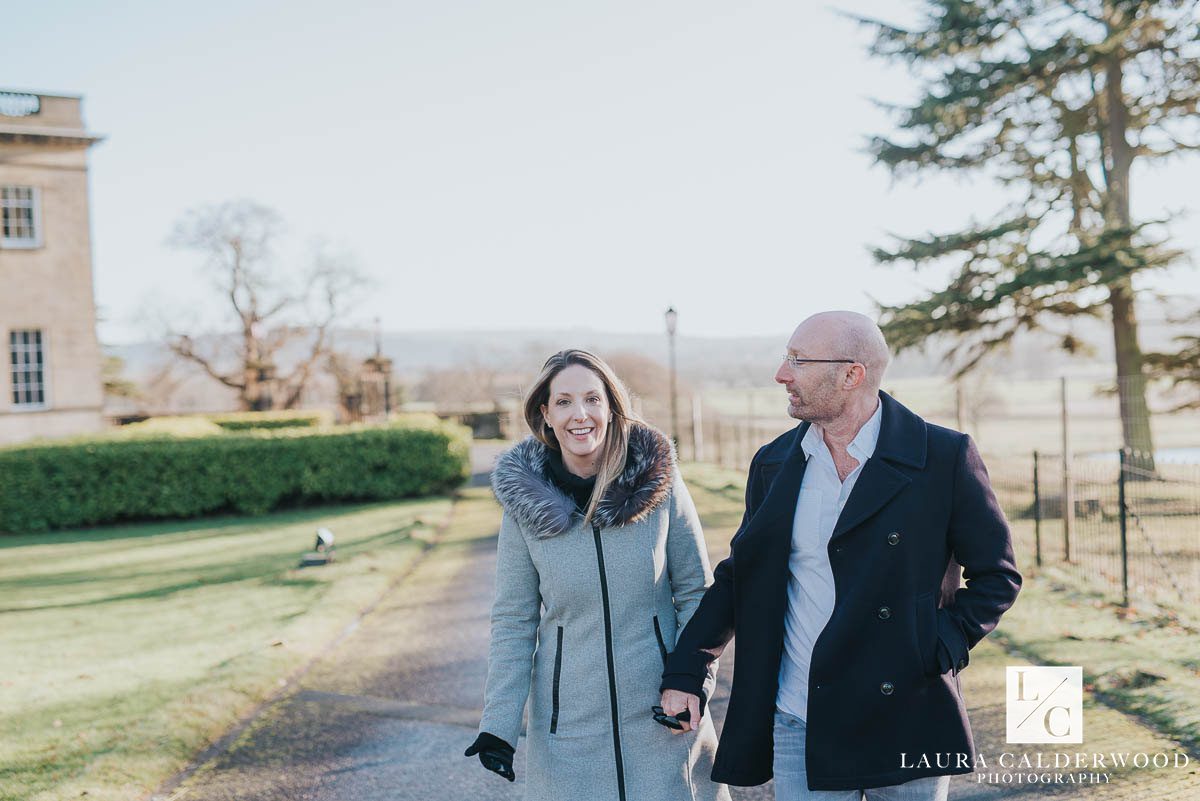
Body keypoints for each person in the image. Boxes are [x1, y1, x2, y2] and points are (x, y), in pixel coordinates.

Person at [659, 312, 1022, 800]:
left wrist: (938, 645)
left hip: (907, 715)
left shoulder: (941, 457)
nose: (781, 374)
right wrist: (686, 670)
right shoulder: (774, 464)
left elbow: (997, 576)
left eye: (798, 361)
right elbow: (738, 579)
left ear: (852, 374)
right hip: (800, 719)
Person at [468, 349, 730, 801]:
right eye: (564, 402)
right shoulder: (523, 506)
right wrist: (499, 725)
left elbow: (697, 594)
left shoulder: (659, 484)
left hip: (665, 717)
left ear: (612, 407)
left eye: (592, 398)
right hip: (568, 732)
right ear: (545, 414)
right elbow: (514, 620)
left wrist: (691, 681)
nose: (580, 414)